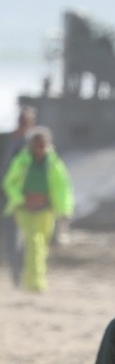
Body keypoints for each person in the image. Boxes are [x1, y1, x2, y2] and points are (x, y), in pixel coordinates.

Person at [3, 126, 73, 292]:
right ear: (31, 145)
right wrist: (23, 198)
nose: (40, 149)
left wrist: (64, 210)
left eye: (43, 145)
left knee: (42, 245)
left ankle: (35, 279)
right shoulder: (22, 161)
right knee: (33, 241)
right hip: (24, 210)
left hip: (46, 210)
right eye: (37, 145)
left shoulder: (54, 163)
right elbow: (9, 183)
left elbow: (63, 187)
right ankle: (33, 283)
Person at [2, 104, 37, 285]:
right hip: (5, 197)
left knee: (21, 238)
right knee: (10, 238)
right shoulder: (6, 140)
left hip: (24, 199)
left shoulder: (33, 145)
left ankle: (21, 275)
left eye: (26, 122)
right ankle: (17, 274)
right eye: (21, 121)